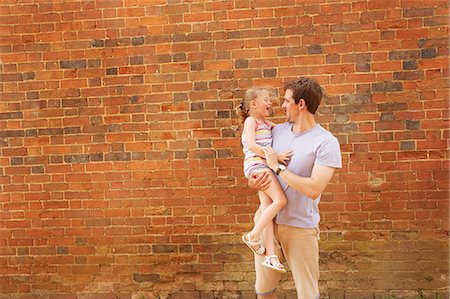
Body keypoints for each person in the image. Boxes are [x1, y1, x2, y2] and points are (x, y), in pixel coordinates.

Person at [249, 77, 342, 299]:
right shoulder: (276, 131)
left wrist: (278, 169)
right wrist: (253, 181)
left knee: (308, 294)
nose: (281, 105)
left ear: (301, 104)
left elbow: (313, 189)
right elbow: (257, 164)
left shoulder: (326, 142)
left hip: (299, 228)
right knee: (264, 290)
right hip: (267, 224)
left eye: (286, 100)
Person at [236, 87, 293, 273]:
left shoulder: (267, 123)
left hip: (263, 166)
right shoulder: (251, 121)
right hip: (257, 166)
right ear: (253, 104)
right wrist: (274, 156)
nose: (271, 103)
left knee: (267, 208)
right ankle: (252, 236)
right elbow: (252, 145)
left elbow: (288, 129)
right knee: (281, 200)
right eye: (266, 99)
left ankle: (271, 256)